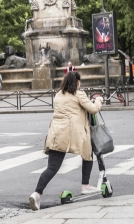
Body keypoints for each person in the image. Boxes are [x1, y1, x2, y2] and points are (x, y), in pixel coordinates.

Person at [29, 72, 104, 211]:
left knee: (52, 167)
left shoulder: (58, 95)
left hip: (57, 133)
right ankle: (85, 185)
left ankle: (37, 194)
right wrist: (99, 100)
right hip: (74, 133)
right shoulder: (79, 94)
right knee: (88, 154)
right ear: (77, 82)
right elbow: (93, 109)